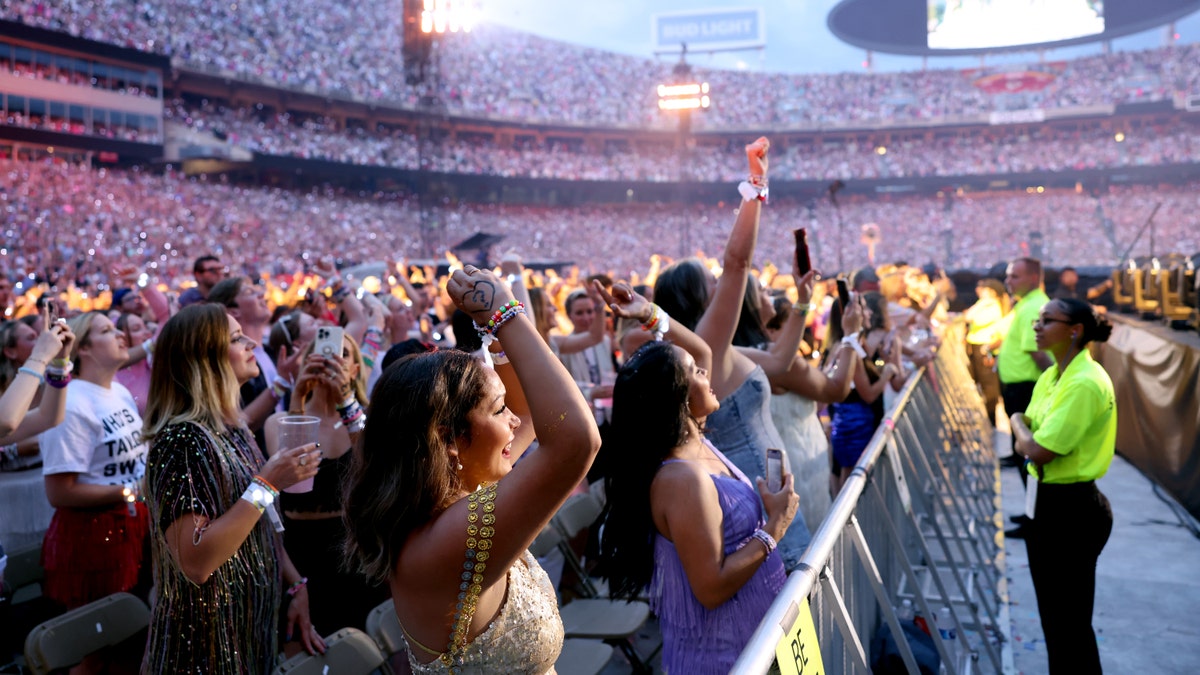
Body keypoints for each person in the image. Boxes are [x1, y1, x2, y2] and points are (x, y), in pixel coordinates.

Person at [342, 265, 600, 673]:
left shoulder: (461, 493)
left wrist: (493, 332)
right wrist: (505, 312)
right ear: (448, 440)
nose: (514, 421)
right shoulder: (450, 536)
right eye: (498, 412)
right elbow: (577, 441)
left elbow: (526, 409)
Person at [597, 282, 799, 675]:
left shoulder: (696, 441)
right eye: (694, 372)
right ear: (677, 398)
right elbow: (709, 588)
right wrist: (775, 526)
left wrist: (648, 314)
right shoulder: (681, 480)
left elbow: (704, 350)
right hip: (725, 656)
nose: (706, 370)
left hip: (753, 635)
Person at [653, 137, 812, 570]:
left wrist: (801, 303)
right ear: (694, 298)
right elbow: (738, 261)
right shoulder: (701, 352)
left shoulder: (716, 351)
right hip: (753, 509)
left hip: (770, 495)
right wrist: (755, 184)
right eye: (711, 281)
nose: (722, 283)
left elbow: (778, 363)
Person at [142, 304, 322, 673]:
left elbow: (261, 522)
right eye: (237, 337)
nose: (252, 342)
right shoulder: (182, 440)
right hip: (202, 650)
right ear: (203, 357)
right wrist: (268, 484)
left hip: (248, 633)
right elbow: (196, 561)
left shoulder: (234, 427)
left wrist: (295, 584)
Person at [1009, 298, 1115, 674]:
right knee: (1056, 620)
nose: (1037, 326)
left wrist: (1015, 422)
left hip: (1072, 510)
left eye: (1047, 320)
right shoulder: (1054, 374)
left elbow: (1037, 449)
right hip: (1050, 506)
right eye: (1037, 320)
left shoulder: (1084, 382)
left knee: (1069, 623)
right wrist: (1023, 428)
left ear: (1075, 330)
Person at [264, 332, 388, 648]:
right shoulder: (279, 421)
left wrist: (346, 402)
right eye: (319, 354)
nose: (331, 359)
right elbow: (292, 485)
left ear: (356, 369)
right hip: (301, 552)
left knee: (362, 651)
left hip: (353, 549)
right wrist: (297, 400)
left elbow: (372, 473)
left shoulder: (371, 419)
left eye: (342, 354)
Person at [39, 312, 149, 610]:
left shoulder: (119, 391)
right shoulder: (71, 404)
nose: (120, 335)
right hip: (93, 540)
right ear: (83, 348)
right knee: (101, 646)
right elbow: (59, 492)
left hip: (132, 528)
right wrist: (130, 490)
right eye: (107, 330)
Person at [997, 258, 1053, 537]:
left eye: (1014, 276)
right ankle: (1034, 514)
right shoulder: (1028, 304)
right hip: (1019, 388)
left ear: (1033, 278)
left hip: (1025, 389)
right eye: (1008, 276)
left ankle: (1037, 519)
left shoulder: (1033, 306)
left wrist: (1056, 384)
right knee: (1023, 456)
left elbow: (1038, 353)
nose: (1008, 281)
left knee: (1028, 457)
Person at [964, 279, 1010, 426]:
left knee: (989, 386)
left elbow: (970, 317)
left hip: (986, 349)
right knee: (984, 384)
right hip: (978, 347)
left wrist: (984, 302)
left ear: (991, 291)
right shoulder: (984, 304)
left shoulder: (993, 307)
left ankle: (993, 420)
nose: (979, 291)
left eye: (983, 288)